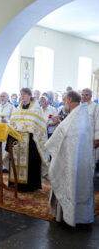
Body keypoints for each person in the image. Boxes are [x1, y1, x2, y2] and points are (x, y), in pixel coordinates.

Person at [46, 91, 94, 226]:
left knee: (69, 183)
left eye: (64, 100)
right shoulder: (79, 114)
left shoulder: (77, 115)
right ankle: (68, 215)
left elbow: (64, 133)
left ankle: (69, 216)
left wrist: (49, 144)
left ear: (69, 100)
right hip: (72, 157)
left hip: (71, 159)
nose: (63, 102)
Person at [7, 88, 49, 192]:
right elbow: (12, 123)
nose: (22, 97)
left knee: (31, 162)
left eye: (25, 95)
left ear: (30, 96)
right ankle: (15, 183)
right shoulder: (17, 110)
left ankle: (30, 186)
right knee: (15, 161)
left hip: (31, 141)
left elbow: (40, 126)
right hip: (17, 140)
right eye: (21, 95)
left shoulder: (36, 110)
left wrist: (29, 128)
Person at [0, 92, 16, 171]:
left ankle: (4, 167)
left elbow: (14, 120)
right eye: (1, 96)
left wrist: (7, 121)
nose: (2, 98)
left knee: (4, 149)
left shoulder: (11, 107)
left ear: (8, 98)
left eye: (4, 96)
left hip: (6, 131)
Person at [81, 88, 99, 170]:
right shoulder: (79, 106)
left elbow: (98, 123)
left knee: (90, 162)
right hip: (80, 138)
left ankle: (89, 182)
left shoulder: (96, 107)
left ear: (91, 96)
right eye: (83, 95)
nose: (84, 97)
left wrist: (97, 139)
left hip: (90, 138)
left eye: (86, 95)